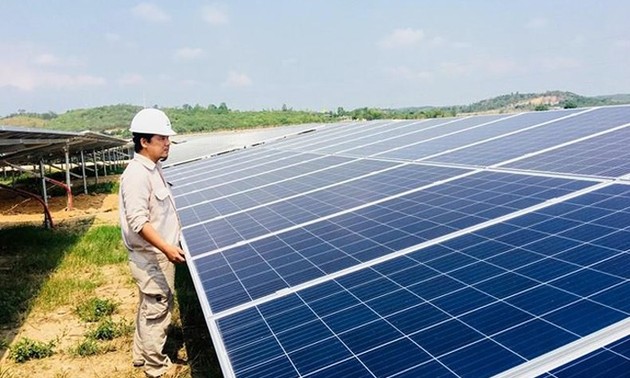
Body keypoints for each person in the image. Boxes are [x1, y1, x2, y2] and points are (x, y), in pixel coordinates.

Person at [119, 108, 185, 378]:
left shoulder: (154, 168)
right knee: (158, 307)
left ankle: (140, 356)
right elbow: (139, 221)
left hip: (157, 255)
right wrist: (167, 248)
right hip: (152, 257)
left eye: (168, 138)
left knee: (149, 305)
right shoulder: (137, 175)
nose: (167, 143)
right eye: (161, 138)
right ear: (144, 142)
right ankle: (156, 367)